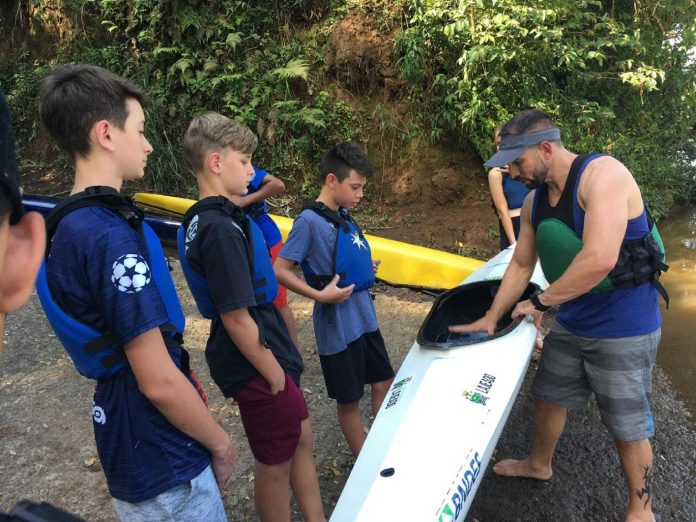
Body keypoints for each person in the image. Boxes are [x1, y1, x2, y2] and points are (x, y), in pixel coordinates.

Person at [36, 64, 236, 521]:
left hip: (126, 436)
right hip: (162, 456)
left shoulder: (69, 225)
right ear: (106, 134)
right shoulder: (108, 237)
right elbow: (158, 380)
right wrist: (221, 445)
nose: (148, 145)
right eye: (141, 131)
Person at [450, 109, 666, 522]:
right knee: (548, 396)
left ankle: (642, 509)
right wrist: (491, 316)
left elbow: (600, 258)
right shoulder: (535, 201)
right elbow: (520, 264)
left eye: (518, 162)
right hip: (574, 319)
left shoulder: (604, 176)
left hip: (625, 326)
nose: (513, 173)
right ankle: (538, 464)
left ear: (546, 149)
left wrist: (540, 303)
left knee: (627, 425)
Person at [178, 112, 325, 522]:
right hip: (255, 357)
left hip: (267, 341)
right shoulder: (219, 229)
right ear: (215, 163)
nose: (251, 171)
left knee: (299, 436)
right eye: (244, 162)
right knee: (275, 462)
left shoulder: (215, 218)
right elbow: (236, 318)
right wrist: (275, 376)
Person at [274, 142, 395, 457]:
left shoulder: (341, 213)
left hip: (364, 317)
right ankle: (366, 462)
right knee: (349, 398)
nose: (360, 194)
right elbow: (280, 270)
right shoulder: (308, 222)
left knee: (384, 379)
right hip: (337, 326)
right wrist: (319, 294)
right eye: (355, 187)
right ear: (331, 180)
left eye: (362, 187)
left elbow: (340, 255)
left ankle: (381, 444)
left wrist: (363, 267)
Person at [225, 165, 298, 345]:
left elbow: (278, 184)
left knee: (278, 301)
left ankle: (294, 352)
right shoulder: (217, 175)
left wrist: (244, 200)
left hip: (267, 239)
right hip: (240, 241)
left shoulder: (242, 166)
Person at [488, 125, 529, 250]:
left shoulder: (527, 168)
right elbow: (502, 210)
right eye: (498, 143)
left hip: (534, 224)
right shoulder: (496, 173)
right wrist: (513, 244)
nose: (502, 146)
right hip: (514, 227)